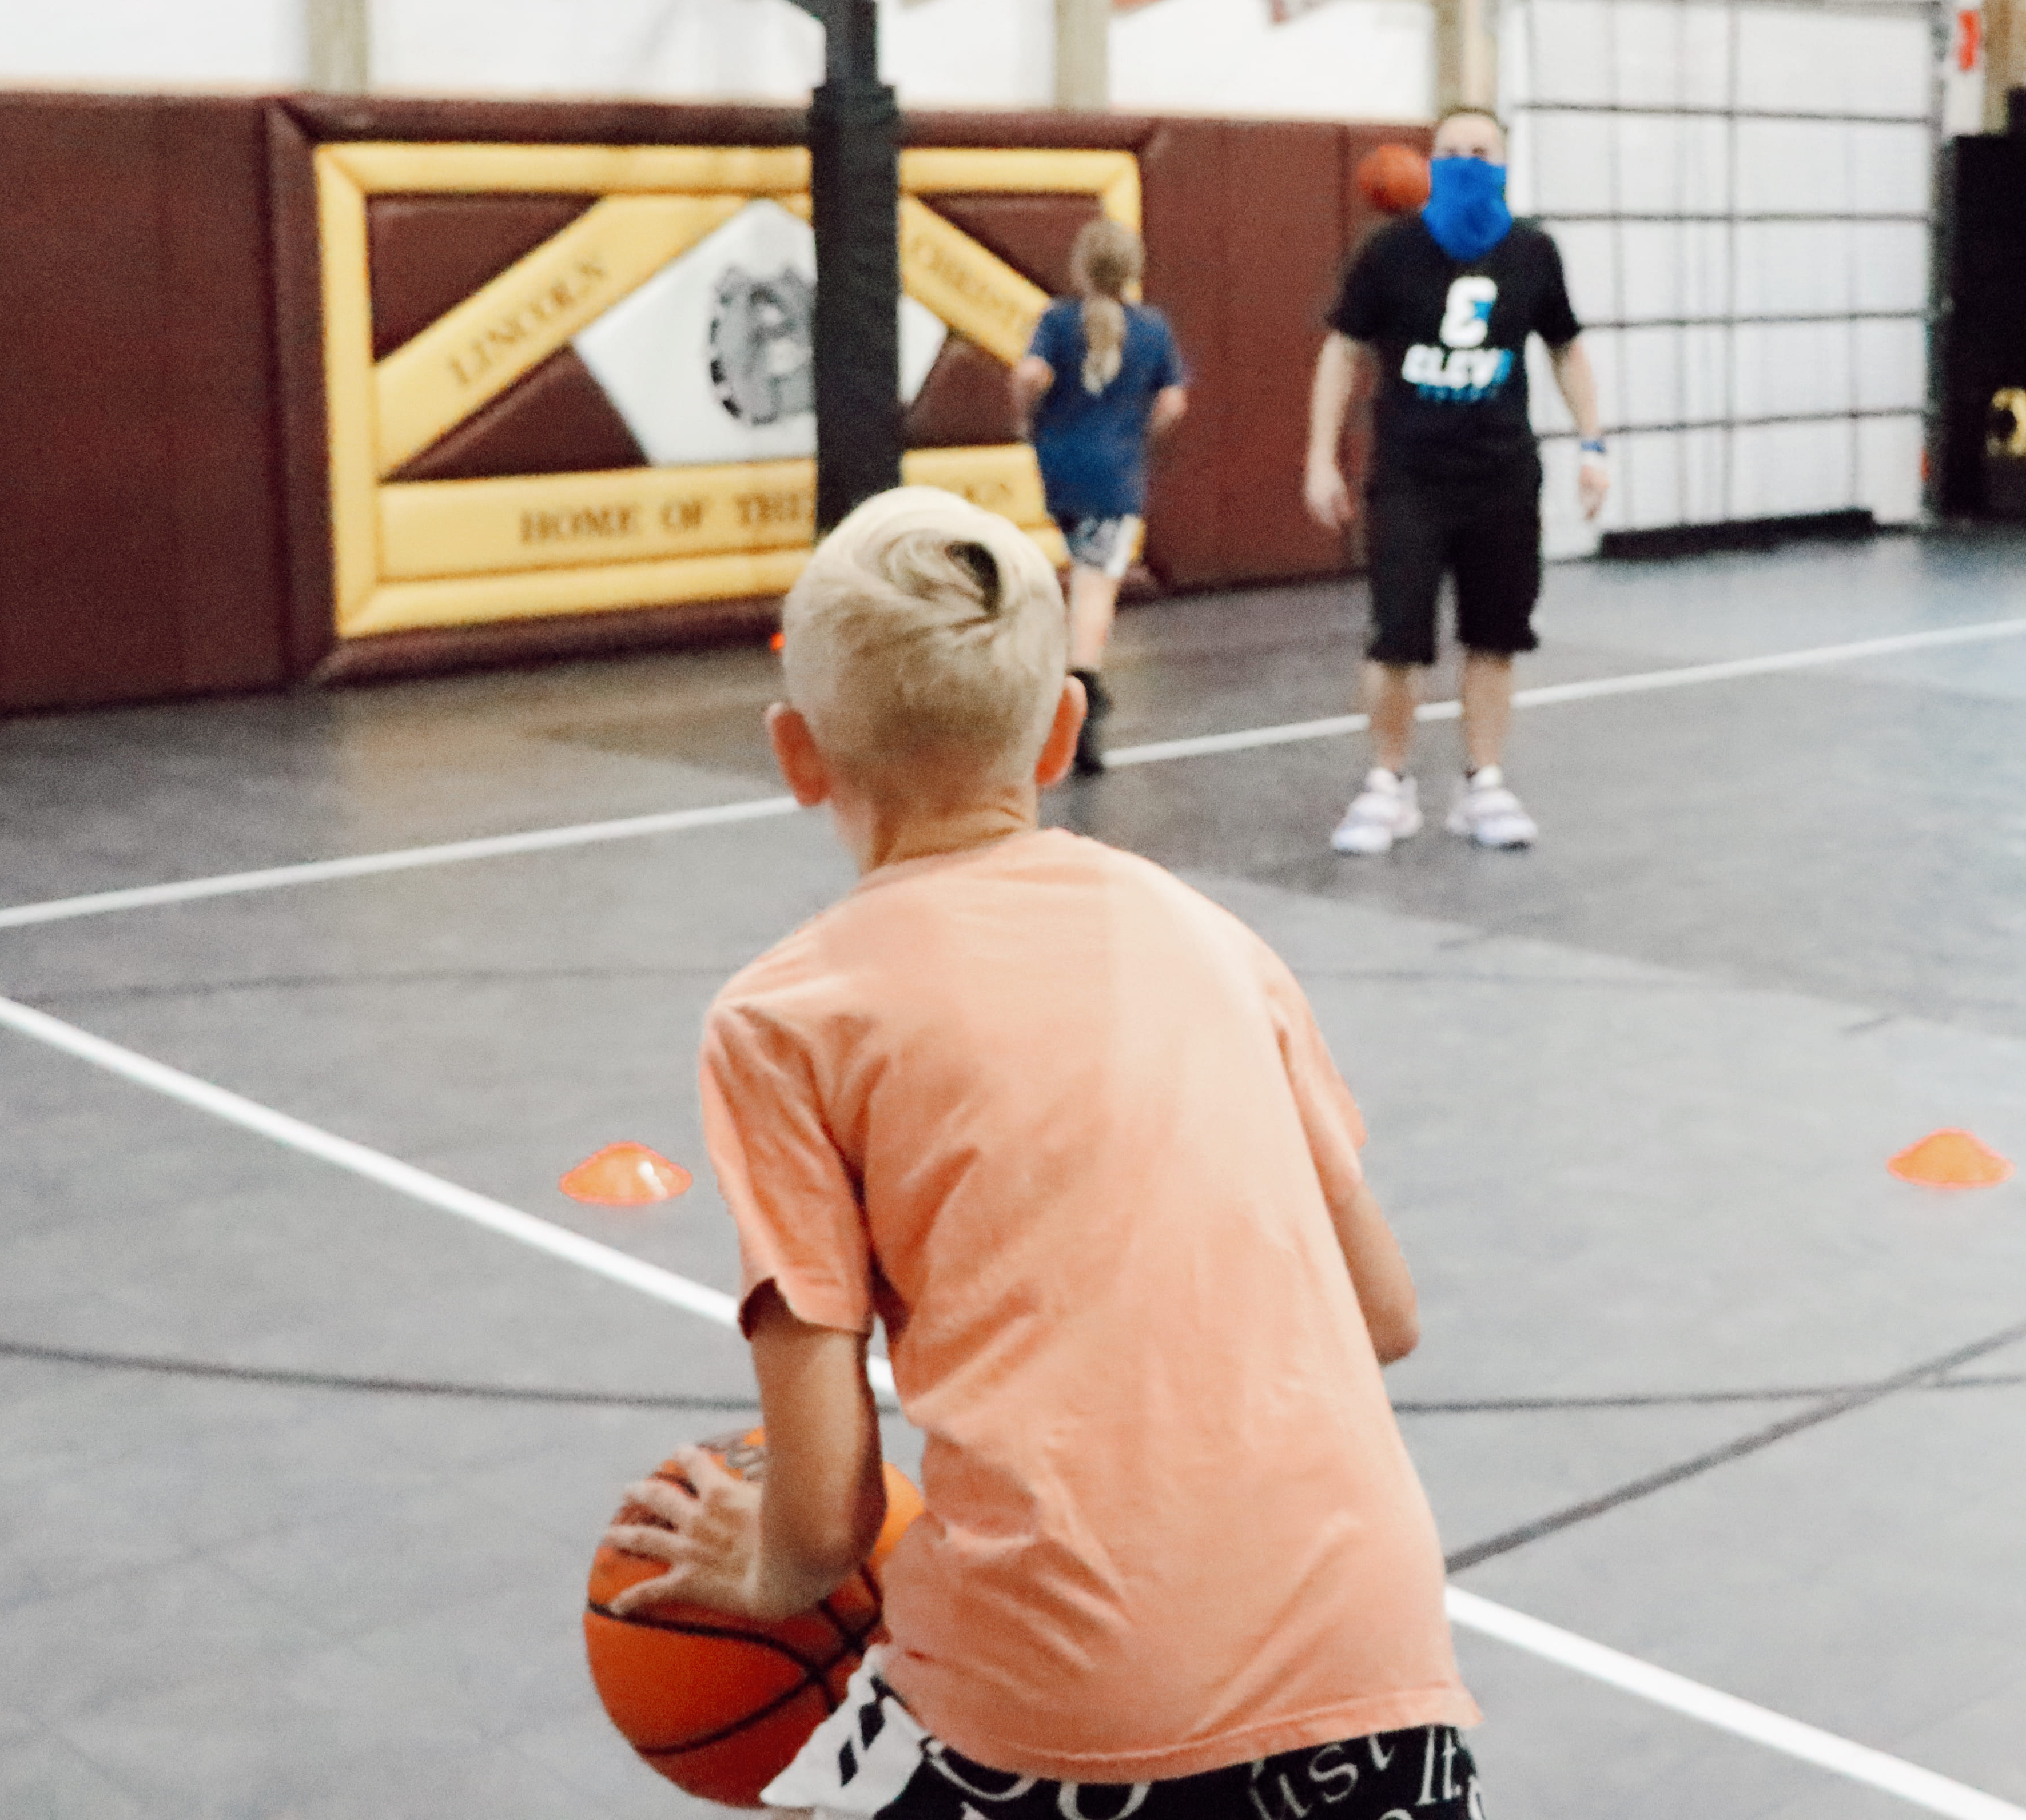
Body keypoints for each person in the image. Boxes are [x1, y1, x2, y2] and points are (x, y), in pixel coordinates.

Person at [599, 487, 1480, 1820]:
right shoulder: (1212, 936)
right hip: (1380, 1665)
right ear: (1061, 729)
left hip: (1058, 1702)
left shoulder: (784, 1020)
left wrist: (762, 1571)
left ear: (795, 754)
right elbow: (1386, 1313)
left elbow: (827, 1511)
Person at [1305, 106, 1607, 854]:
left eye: (1481, 150)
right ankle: (1388, 784)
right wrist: (1319, 456)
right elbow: (1342, 351)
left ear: (1504, 162)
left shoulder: (1534, 252)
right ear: (1429, 162)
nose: (1466, 161)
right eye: (1452, 151)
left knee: (1495, 637)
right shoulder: (1389, 254)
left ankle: (1485, 784)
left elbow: (1568, 349)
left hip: (1501, 473)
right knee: (1397, 639)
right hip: (1411, 473)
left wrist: (1593, 444)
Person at [1012, 217, 1188, 776]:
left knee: (1079, 569)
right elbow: (1173, 403)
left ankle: (1073, 684)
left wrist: (1025, 418)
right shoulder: (1152, 329)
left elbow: (1030, 373)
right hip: (1114, 474)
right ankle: (1082, 683)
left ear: (1081, 268)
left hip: (1060, 467)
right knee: (1095, 584)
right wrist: (1140, 432)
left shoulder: (1058, 320)